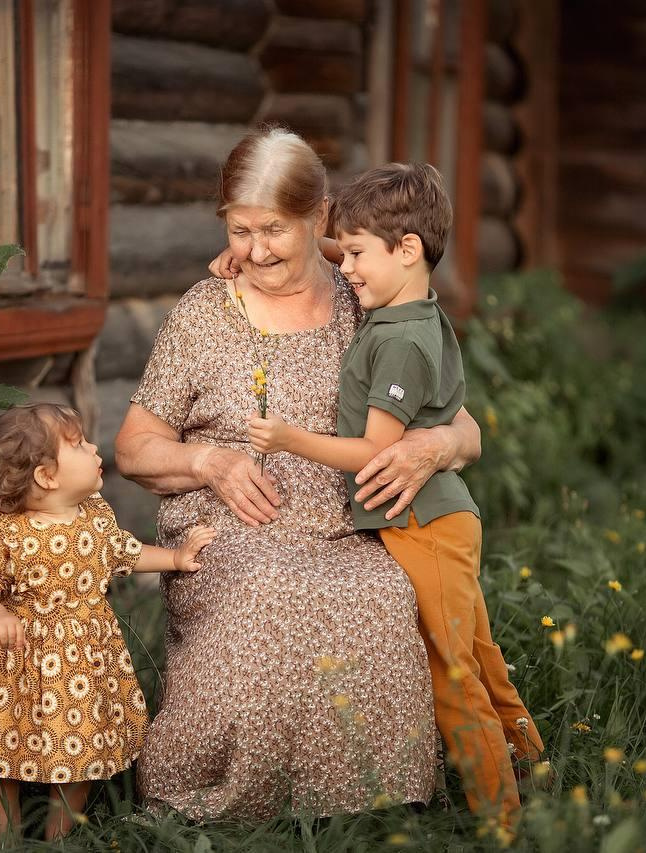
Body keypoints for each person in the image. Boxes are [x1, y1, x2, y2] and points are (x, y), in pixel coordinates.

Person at [115, 126, 484, 820]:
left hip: (350, 529)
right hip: (233, 533)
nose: (254, 251)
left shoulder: (369, 295)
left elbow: (466, 426)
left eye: (274, 230)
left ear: (321, 219)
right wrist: (207, 459)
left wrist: (433, 447)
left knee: (380, 594)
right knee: (268, 592)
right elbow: (134, 446)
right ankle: (209, 795)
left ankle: (375, 799)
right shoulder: (205, 313)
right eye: (239, 229)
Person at [247, 163, 544, 821]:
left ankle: (503, 818)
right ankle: (534, 765)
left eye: (355, 254)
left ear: (407, 249)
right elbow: (350, 248)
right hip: (439, 521)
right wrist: (270, 245)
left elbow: (376, 451)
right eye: (342, 250)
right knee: (480, 653)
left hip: (425, 528)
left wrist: (290, 438)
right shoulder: (407, 304)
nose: (345, 267)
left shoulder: (401, 341)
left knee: (452, 671)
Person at [0, 404, 215, 841]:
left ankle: (59, 838)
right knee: (2, 751)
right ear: (46, 476)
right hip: (16, 661)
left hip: (83, 661)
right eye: (78, 444)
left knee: (83, 748)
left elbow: (125, 552)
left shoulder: (95, 517)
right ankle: (5, 837)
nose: (94, 447)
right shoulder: (9, 532)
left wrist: (173, 558)